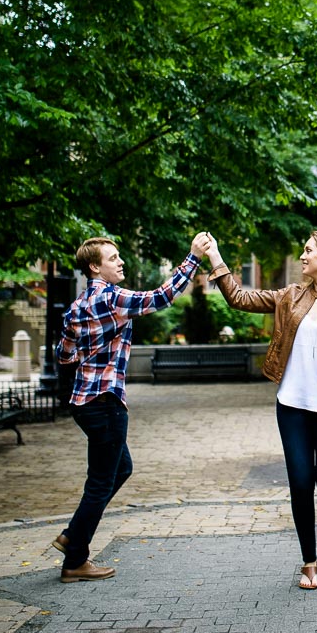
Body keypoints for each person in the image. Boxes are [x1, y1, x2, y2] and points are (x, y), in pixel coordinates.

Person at [201, 229, 317, 592]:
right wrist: (216, 257)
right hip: (292, 405)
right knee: (300, 483)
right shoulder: (290, 296)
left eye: (308, 251)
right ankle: (309, 563)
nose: (302, 257)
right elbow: (239, 297)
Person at [51, 233, 210, 583]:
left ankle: (73, 537)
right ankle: (75, 554)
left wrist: (88, 357)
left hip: (83, 402)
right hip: (107, 403)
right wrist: (194, 256)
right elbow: (162, 296)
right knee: (101, 481)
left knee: (121, 468)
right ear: (95, 267)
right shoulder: (113, 297)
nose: (120, 262)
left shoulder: (76, 307)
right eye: (113, 258)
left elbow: (63, 355)